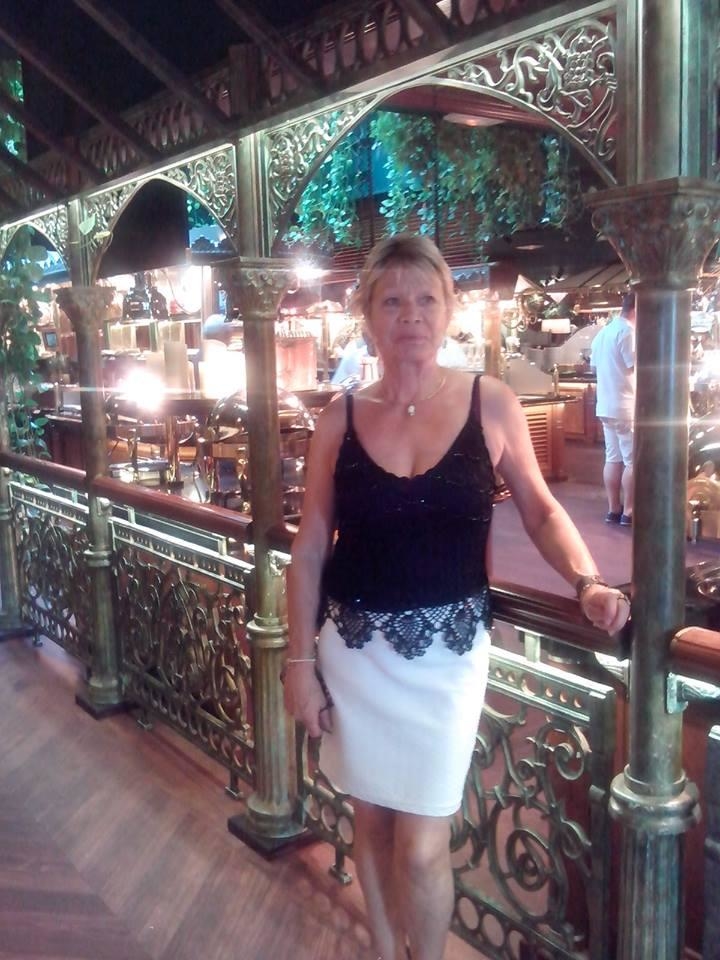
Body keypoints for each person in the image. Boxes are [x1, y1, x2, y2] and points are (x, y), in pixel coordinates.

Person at [284, 234, 630, 960]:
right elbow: (311, 544)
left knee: (421, 843)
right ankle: (387, 951)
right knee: (372, 822)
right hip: (353, 650)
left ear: (448, 310)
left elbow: (541, 510)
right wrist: (298, 662)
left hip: (449, 658)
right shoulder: (338, 419)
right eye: (392, 301)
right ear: (368, 316)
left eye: (426, 299)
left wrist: (586, 580)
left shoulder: (489, 402)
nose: (410, 314)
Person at [590, 292, 636, 526]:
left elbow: (594, 366)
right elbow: (636, 367)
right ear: (637, 309)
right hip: (626, 406)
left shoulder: (603, 333)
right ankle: (629, 511)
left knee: (613, 457)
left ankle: (613, 509)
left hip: (605, 405)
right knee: (632, 461)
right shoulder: (627, 332)